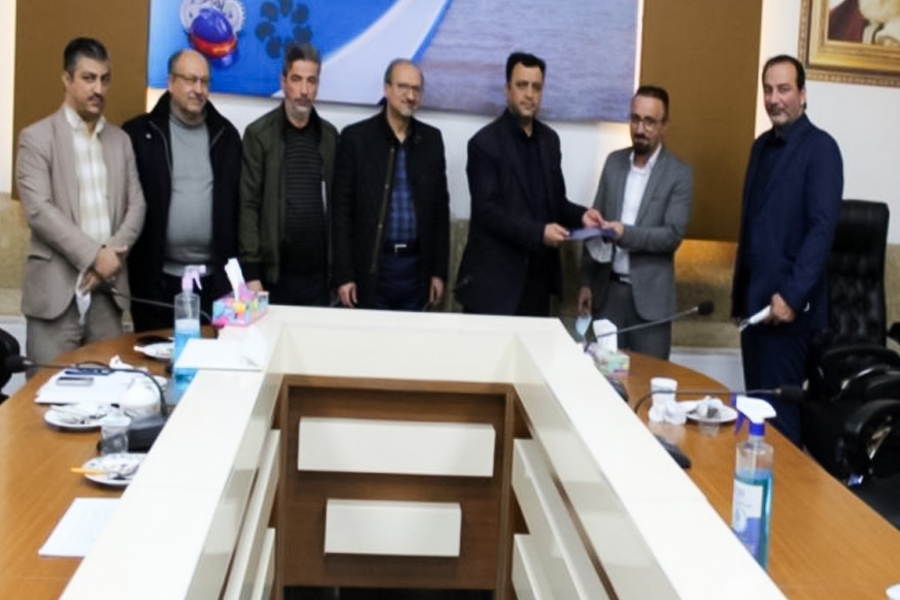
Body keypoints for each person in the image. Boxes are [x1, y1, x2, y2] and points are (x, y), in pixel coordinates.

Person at [731, 55, 843, 446]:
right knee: (756, 422)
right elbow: (752, 226)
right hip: (755, 311)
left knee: (781, 427)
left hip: (789, 314)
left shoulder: (822, 148)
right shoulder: (760, 147)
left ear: (803, 94)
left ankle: (785, 490)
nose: (774, 99)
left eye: (784, 89)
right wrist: (739, 301)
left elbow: (821, 230)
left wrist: (792, 297)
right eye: (768, 90)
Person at [15, 37, 145, 367]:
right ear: (66, 79)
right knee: (44, 392)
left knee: (110, 390)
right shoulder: (36, 138)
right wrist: (94, 256)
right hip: (55, 296)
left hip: (107, 293)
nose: (98, 89)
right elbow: (39, 211)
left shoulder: (121, 141)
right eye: (88, 78)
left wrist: (109, 259)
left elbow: (137, 206)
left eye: (104, 79)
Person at [455, 52, 602, 316]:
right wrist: (539, 232)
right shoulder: (484, 144)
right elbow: (488, 211)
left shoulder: (550, 140)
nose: (529, 94)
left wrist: (583, 216)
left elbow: (556, 202)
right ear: (507, 89)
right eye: (522, 85)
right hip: (494, 286)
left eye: (536, 87)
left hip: (538, 282)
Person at [123, 49, 242, 331]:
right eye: (190, 80)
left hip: (214, 284)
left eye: (204, 82)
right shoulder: (139, 134)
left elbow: (239, 208)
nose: (198, 90)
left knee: (211, 355)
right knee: (155, 354)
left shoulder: (227, 136)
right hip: (156, 283)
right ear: (170, 82)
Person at [577, 86, 693, 360]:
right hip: (609, 294)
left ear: (664, 125)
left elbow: (672, 235)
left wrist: (625, 234)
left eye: (649, 122)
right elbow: (595, 227)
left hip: (651, 301)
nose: (640, 129)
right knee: (604, 376)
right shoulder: (613, 163)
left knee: (648, 378)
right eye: (635, 119)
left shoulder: (679, 173)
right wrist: (586, 282)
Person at [332, 59, 450, 311]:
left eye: (416, 89)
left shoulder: (431, 140)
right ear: (386, 89)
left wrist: (439, 272)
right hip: (373, 267)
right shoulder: (356, 139)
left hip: (416, 268)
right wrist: (344, 274)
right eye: (403, 87)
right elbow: (340, 212)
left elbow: (440, 212)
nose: (410, 95)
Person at [239, 43, 338, 306]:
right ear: (283, 81)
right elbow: (248, 206)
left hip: (318, 278)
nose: (304, 90)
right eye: (296, 79)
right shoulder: (259, 135)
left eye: (311, 81)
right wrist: (251, 273)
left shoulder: (330, 137)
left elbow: (339, 207)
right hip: (273, 276)